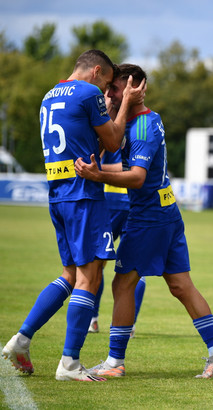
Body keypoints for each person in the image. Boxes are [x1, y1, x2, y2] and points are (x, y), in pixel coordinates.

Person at [74, 63, 213, 379]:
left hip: (149, 217)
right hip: (165, 212)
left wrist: (98, 175)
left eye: (115, 89)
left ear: (136, 88)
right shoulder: (144, 121)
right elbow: (133, 170)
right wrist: (101, 172)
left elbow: (136, 177)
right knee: (180, 284)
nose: (109, 95)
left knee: (123, 283)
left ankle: (114, 362)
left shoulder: (143, 127)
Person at [2, 49, 145, 381]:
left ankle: (20, 340)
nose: (109, 90)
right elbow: (112, 142)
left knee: (69, 274)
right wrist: (123, 104)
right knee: (89, 278)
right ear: (96, 71)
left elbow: (83, 138)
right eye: (109, 82)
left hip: (58, 193)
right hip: (83, 194)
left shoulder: (50, 94)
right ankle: (69, 364)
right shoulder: (89, 92)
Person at [89, 148, 146, 337]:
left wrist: (98, 170)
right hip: (133, 201)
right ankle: (129, 325)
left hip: (109, 201)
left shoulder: (104, 123)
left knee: (97, 264)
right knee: (136, 270)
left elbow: (97, 156)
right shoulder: (141, 126)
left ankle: (93, 319)